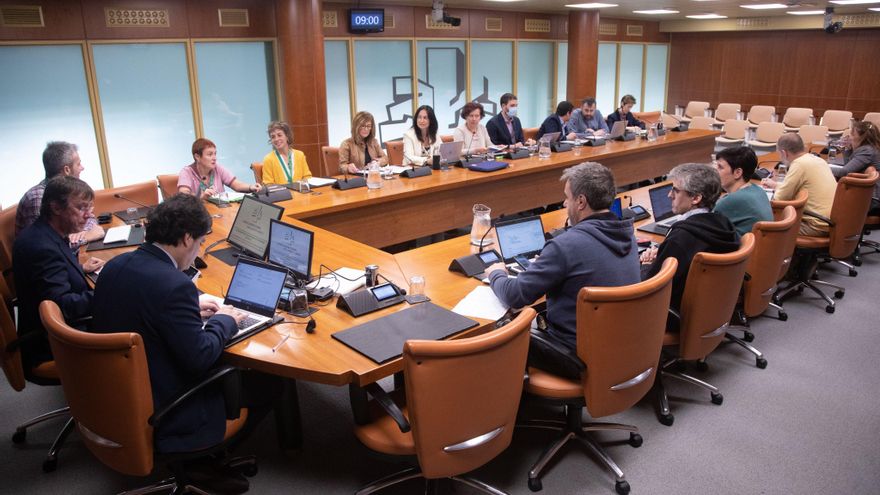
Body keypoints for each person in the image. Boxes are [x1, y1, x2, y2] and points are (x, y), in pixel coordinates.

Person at [91, 194, 276, 492]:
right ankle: (201, 463)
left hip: (116, 392)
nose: (198, 250)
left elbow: (143, 311)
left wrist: (190, 311)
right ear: (188, 238)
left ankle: (200, 461)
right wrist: (225, 320)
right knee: (269, 382)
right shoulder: (174, 285)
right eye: (201, 242)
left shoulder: (116, 265)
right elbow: (200, 358)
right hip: (164, 404)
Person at [485, 162, 640, 380]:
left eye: (567, 197)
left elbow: (515, 295)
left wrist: (496, 273)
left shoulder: (566, 246)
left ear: (581, 201)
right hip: (620, 345)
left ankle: (509, 402)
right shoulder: (626, 233)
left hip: (576, 355)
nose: (564, 203)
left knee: (502, 333)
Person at [13, 176, 104, 370]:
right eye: (81, 208)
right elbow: (63, 306)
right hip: (55, 343)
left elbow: (49, 279)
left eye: (90, 208)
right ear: (56, 208)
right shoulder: (41, 247)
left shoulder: (45, 232)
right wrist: (110, 292)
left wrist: (80, 269)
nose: (88, 215)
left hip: (60, 331)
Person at [641, 163, 740, 317]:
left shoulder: (681, 238)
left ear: (695, 198)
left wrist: (646, 265)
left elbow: (650, 286)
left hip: (671, 315)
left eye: (675, 190)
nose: (669, 195)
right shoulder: (724, 224)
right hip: (712, 309)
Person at [15, 141, 104, 246]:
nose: (82, 168)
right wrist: (86, 237)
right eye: (78, 164)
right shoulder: (37, 198)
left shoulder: (70, 191)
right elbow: (46, 245)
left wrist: (85, 231)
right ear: (67, 170)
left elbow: (90, 218)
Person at [762, 133, 836, 236]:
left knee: (764, 227)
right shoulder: (818, 160)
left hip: (815, 225)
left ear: (784, 153)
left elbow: (779, 199)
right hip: (830, 221)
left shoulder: (799, 164)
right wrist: (776, 185)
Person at [713, 146, 773, 236]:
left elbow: (706, 229)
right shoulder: (758, 190)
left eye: (720, 167)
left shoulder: (732, 201)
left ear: (738, 173)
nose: (715, 170)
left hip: (740, 245)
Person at [178, 138, 261, 200]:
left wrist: (251, 187)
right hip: (197, 214)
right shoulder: (186, 172)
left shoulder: (217, 168)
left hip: (219, 212)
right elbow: (183, 196)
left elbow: (236, 184)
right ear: (197, 157)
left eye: (215, 154)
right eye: (210, 154)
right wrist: (201, 196)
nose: (214, 158)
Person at [832, 121, 880, 214]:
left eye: (852, 134)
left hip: (873, 200)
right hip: (869, 196)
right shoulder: (869, 148)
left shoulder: (867, 151)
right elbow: (849, 168)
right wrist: (847, 149)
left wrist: (822, 166)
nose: (849, 137)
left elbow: (844, 172)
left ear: (861, 137)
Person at [261, 121, 312, 185]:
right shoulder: (268, 159)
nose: (276, 139)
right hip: (281, 192)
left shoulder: (300, 155)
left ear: (287, 136)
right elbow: (268, 184)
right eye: (273, 137)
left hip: (300, 191)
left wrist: (303, 184)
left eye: (279, 135)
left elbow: (307, 176)